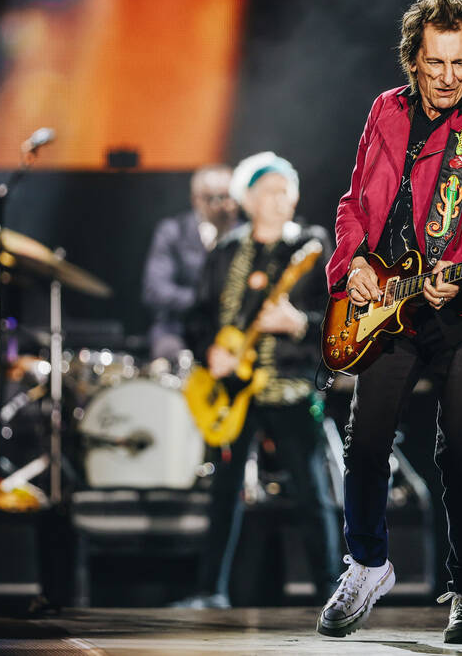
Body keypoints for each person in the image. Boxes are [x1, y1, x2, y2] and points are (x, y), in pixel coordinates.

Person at [316, 0, 462, 644]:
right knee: (365, 442)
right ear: (413, 59)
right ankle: (366, 564)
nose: (447, 78)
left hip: (461, 304)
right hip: (387, 299)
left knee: (457, 454)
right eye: (435, 64)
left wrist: (459, 271)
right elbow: (355, 201)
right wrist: (351, 260)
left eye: (460, 64)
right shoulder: (385, 112)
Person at [181, 152, 341, 608]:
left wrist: (298, 323)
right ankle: (210, 590)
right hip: (234, 391)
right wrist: (209, 349)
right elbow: (198, 316)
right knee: (224, 490)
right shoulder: (226, 251)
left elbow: (339, 315)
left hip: (290, 385)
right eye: (268, 190)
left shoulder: (310, 246)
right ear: (246, 199)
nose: (280, 198)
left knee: (311, 490)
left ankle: (330, 593)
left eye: (286, 188)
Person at [142, 164, 240, 363]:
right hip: (179, 330)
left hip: (230, 333)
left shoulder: (246, 236)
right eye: (218, 198)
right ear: (197, 200)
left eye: (232, 198)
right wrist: (205, 302)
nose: (227, 206)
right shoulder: (173, 232)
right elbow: (155, 290)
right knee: (170, 355)